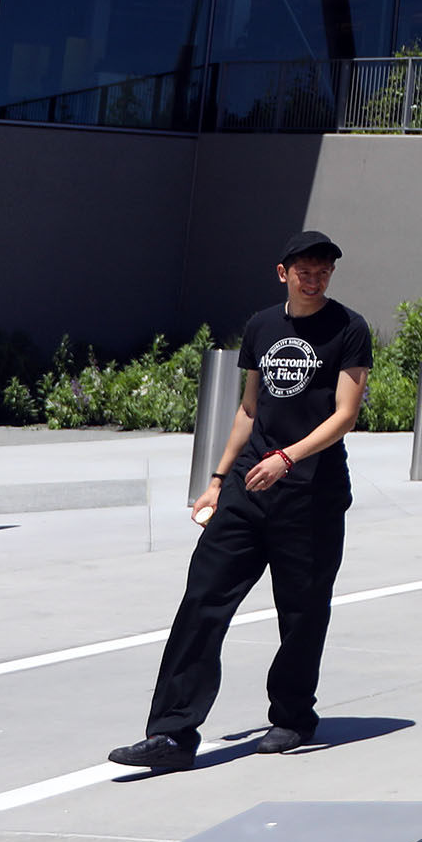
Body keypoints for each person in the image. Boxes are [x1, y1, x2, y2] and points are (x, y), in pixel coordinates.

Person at [108, 229, 371, 768]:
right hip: (248, 488)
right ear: (283, 273)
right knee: (203, 600)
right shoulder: (262, 326)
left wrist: (288, 458)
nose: (314, 277)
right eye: (305, 269)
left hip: (311, 494)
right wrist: (217, 478)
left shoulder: (350, 328)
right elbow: (250, 410)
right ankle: (173, 734)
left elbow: (344, 414)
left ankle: (293, 716)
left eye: (323, 269)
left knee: (301, 612)